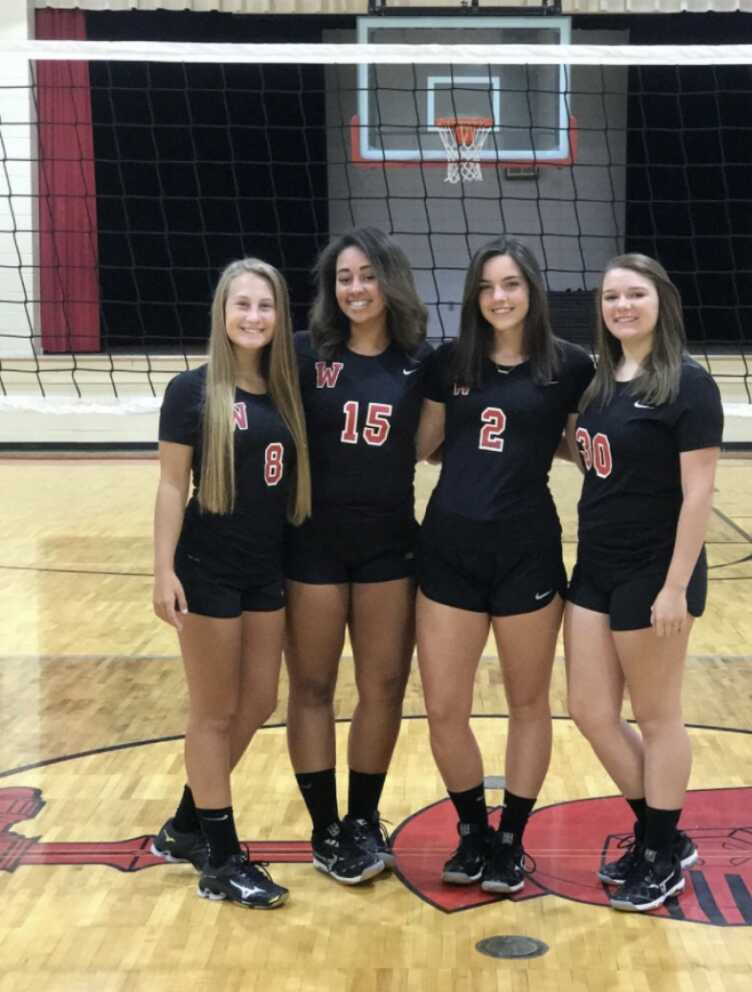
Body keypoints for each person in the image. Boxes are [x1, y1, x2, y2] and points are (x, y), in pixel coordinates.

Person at [415, 236, 594, 895]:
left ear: (532, 291)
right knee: (443, 708)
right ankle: (472, 831)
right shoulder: (447, 363)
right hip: (449, 549)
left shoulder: (569, 366)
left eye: (511, 285)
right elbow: (423, 445)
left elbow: (591, 447)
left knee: (527, 702)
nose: (499, 297)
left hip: (528, 551)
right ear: (474, 298)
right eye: (487, 287)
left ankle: (512, 838)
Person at [564, 253, 723, 913]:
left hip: (656, 572)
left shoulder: (688, 385)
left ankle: (659, 852)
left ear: (661, 301)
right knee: (591, 713)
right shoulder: (600, 382)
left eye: (635, 294)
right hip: (595, 565)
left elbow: (699, 494)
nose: (622, 307)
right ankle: (662, 832)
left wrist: (675, 588)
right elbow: (588, 454)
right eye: (611, 297)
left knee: (656, 717)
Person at [150, 257, 311, 909]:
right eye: (241, 305)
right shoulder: (191, 391)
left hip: (264, 569)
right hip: (207, 569)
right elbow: (169, 485)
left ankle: (188, 825)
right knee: (213, 712)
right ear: (222, 314)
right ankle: (221, 856)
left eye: (265, 306)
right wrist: (162, 571)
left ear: (279, 317)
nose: (253, 317)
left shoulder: (287, 391)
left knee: (259, 702)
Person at [284, 227, 430, 884]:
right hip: (311, 543)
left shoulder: (423, 361)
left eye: (367, 274)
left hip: (389, 547)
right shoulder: (302, 354)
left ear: (389, 280)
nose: (355, 288)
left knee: (383, 687)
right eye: (343, 277)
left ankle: (364, 819)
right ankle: (325, 828)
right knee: (313, 686)